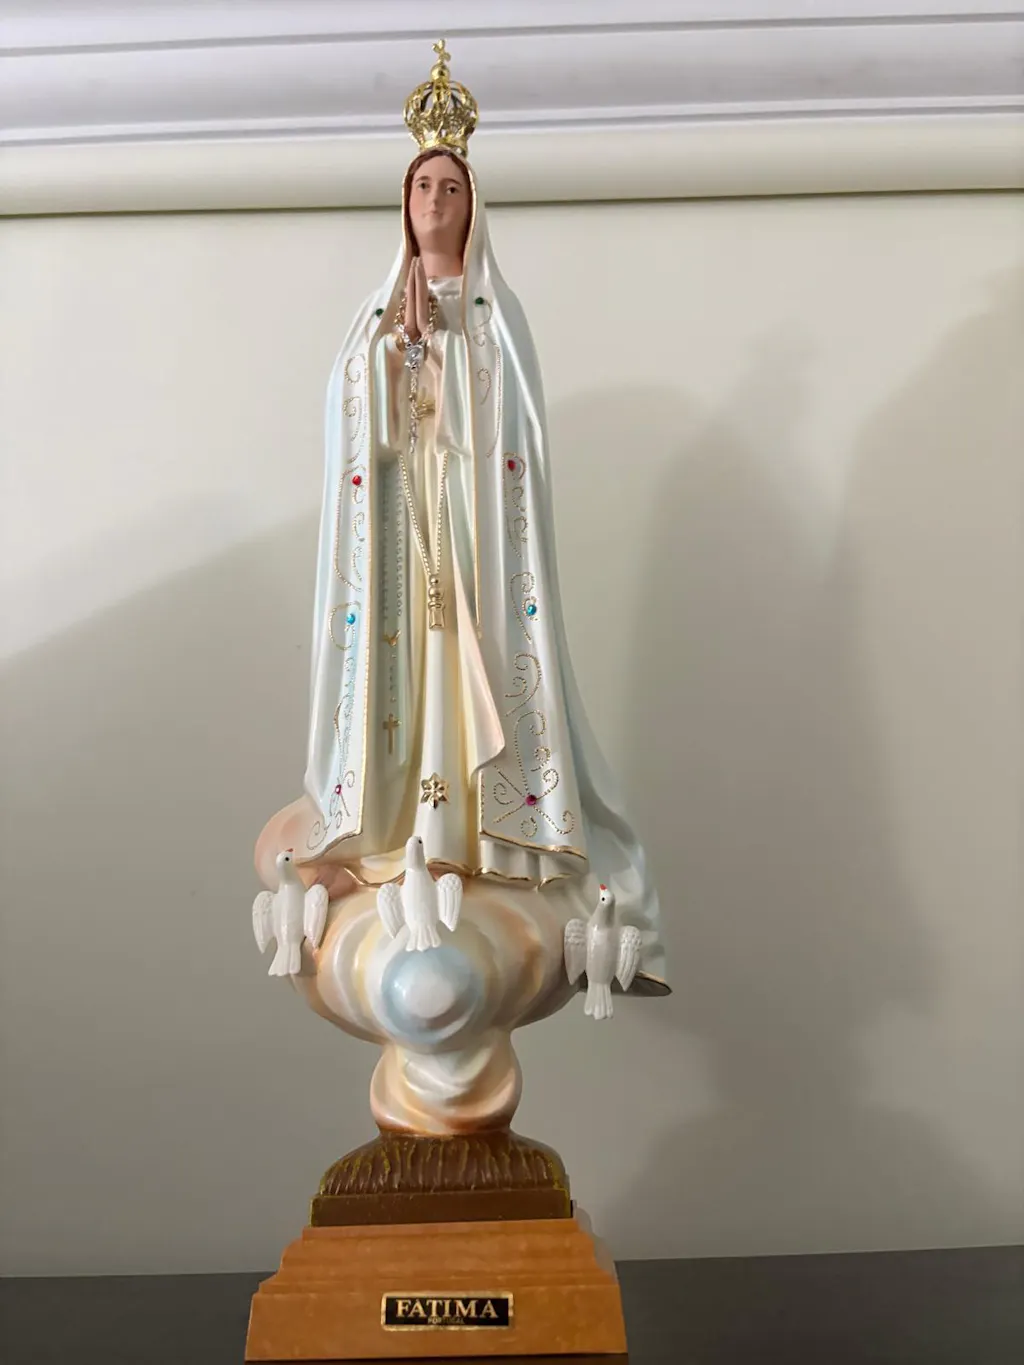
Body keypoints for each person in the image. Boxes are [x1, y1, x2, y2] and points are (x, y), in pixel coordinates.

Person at [261, 42, 665, 986]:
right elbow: (357, 429)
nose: (436, 202)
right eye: (423, 188)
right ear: (402, 206)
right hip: (402, 539)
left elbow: (504, 434)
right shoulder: (372, 319)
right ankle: (394, 823)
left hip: (472, 536)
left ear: (474, 206)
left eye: (451, 188)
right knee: (402, 671)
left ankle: (474, 831)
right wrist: (393, 356)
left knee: (469, 665)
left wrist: (442, 345)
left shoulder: (495, 317)